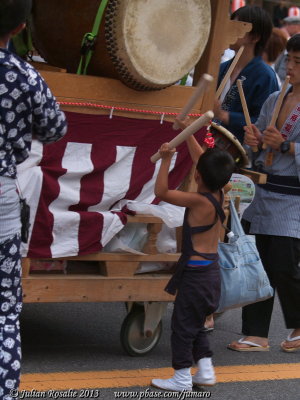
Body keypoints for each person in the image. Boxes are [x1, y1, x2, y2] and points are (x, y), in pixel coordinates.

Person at [0, 1, 67, 398]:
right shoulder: (26, 76)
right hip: (2, 197)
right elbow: (56, 127)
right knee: (4, 309)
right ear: (22, 26)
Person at [227, 33, 300, 353]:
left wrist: (284, 145)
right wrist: (254, 141)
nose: (291, 68)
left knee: (284, 264)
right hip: (264, 191)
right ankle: (256, 334)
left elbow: (283, 146)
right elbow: (255, 147)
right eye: (291, 60)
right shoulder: (276, 98)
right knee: (258, 263)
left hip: (293, 198)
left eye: (299, 63)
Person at [151, 135, 235, 392]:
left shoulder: (197, 201)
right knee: (196, 322)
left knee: (182, 326)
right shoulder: (221, 192)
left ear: (197, 176)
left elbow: (161, 192)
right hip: (210, 271)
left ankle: (181, 378)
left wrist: (166, 159)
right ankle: (206, 371)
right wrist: (188, 133)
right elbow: (203, 161)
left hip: (195, 274)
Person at [214, 5, 279, 143]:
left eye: (237, 27)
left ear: (255, 37)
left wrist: (225, 116)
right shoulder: (222, 68)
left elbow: (266, 121)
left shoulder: (265, 75)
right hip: (210, 141)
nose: (229, 31)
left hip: (238, 150)